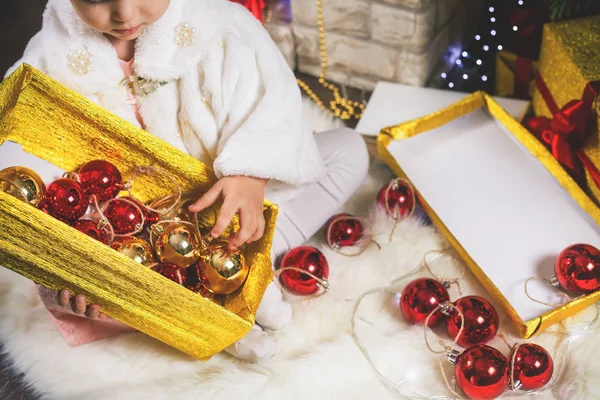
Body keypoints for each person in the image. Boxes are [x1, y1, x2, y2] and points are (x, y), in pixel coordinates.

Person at [5, 0, 369, 362]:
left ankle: (249, 258)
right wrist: (70, 270)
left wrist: (250, 172)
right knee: (84, 280)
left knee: (349, 151)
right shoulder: (50, 56)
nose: (125, 15)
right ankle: (192, 301)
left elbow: (271, 97)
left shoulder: (219, 23)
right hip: (132, 232)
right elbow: (28, 156)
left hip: (225, 198)